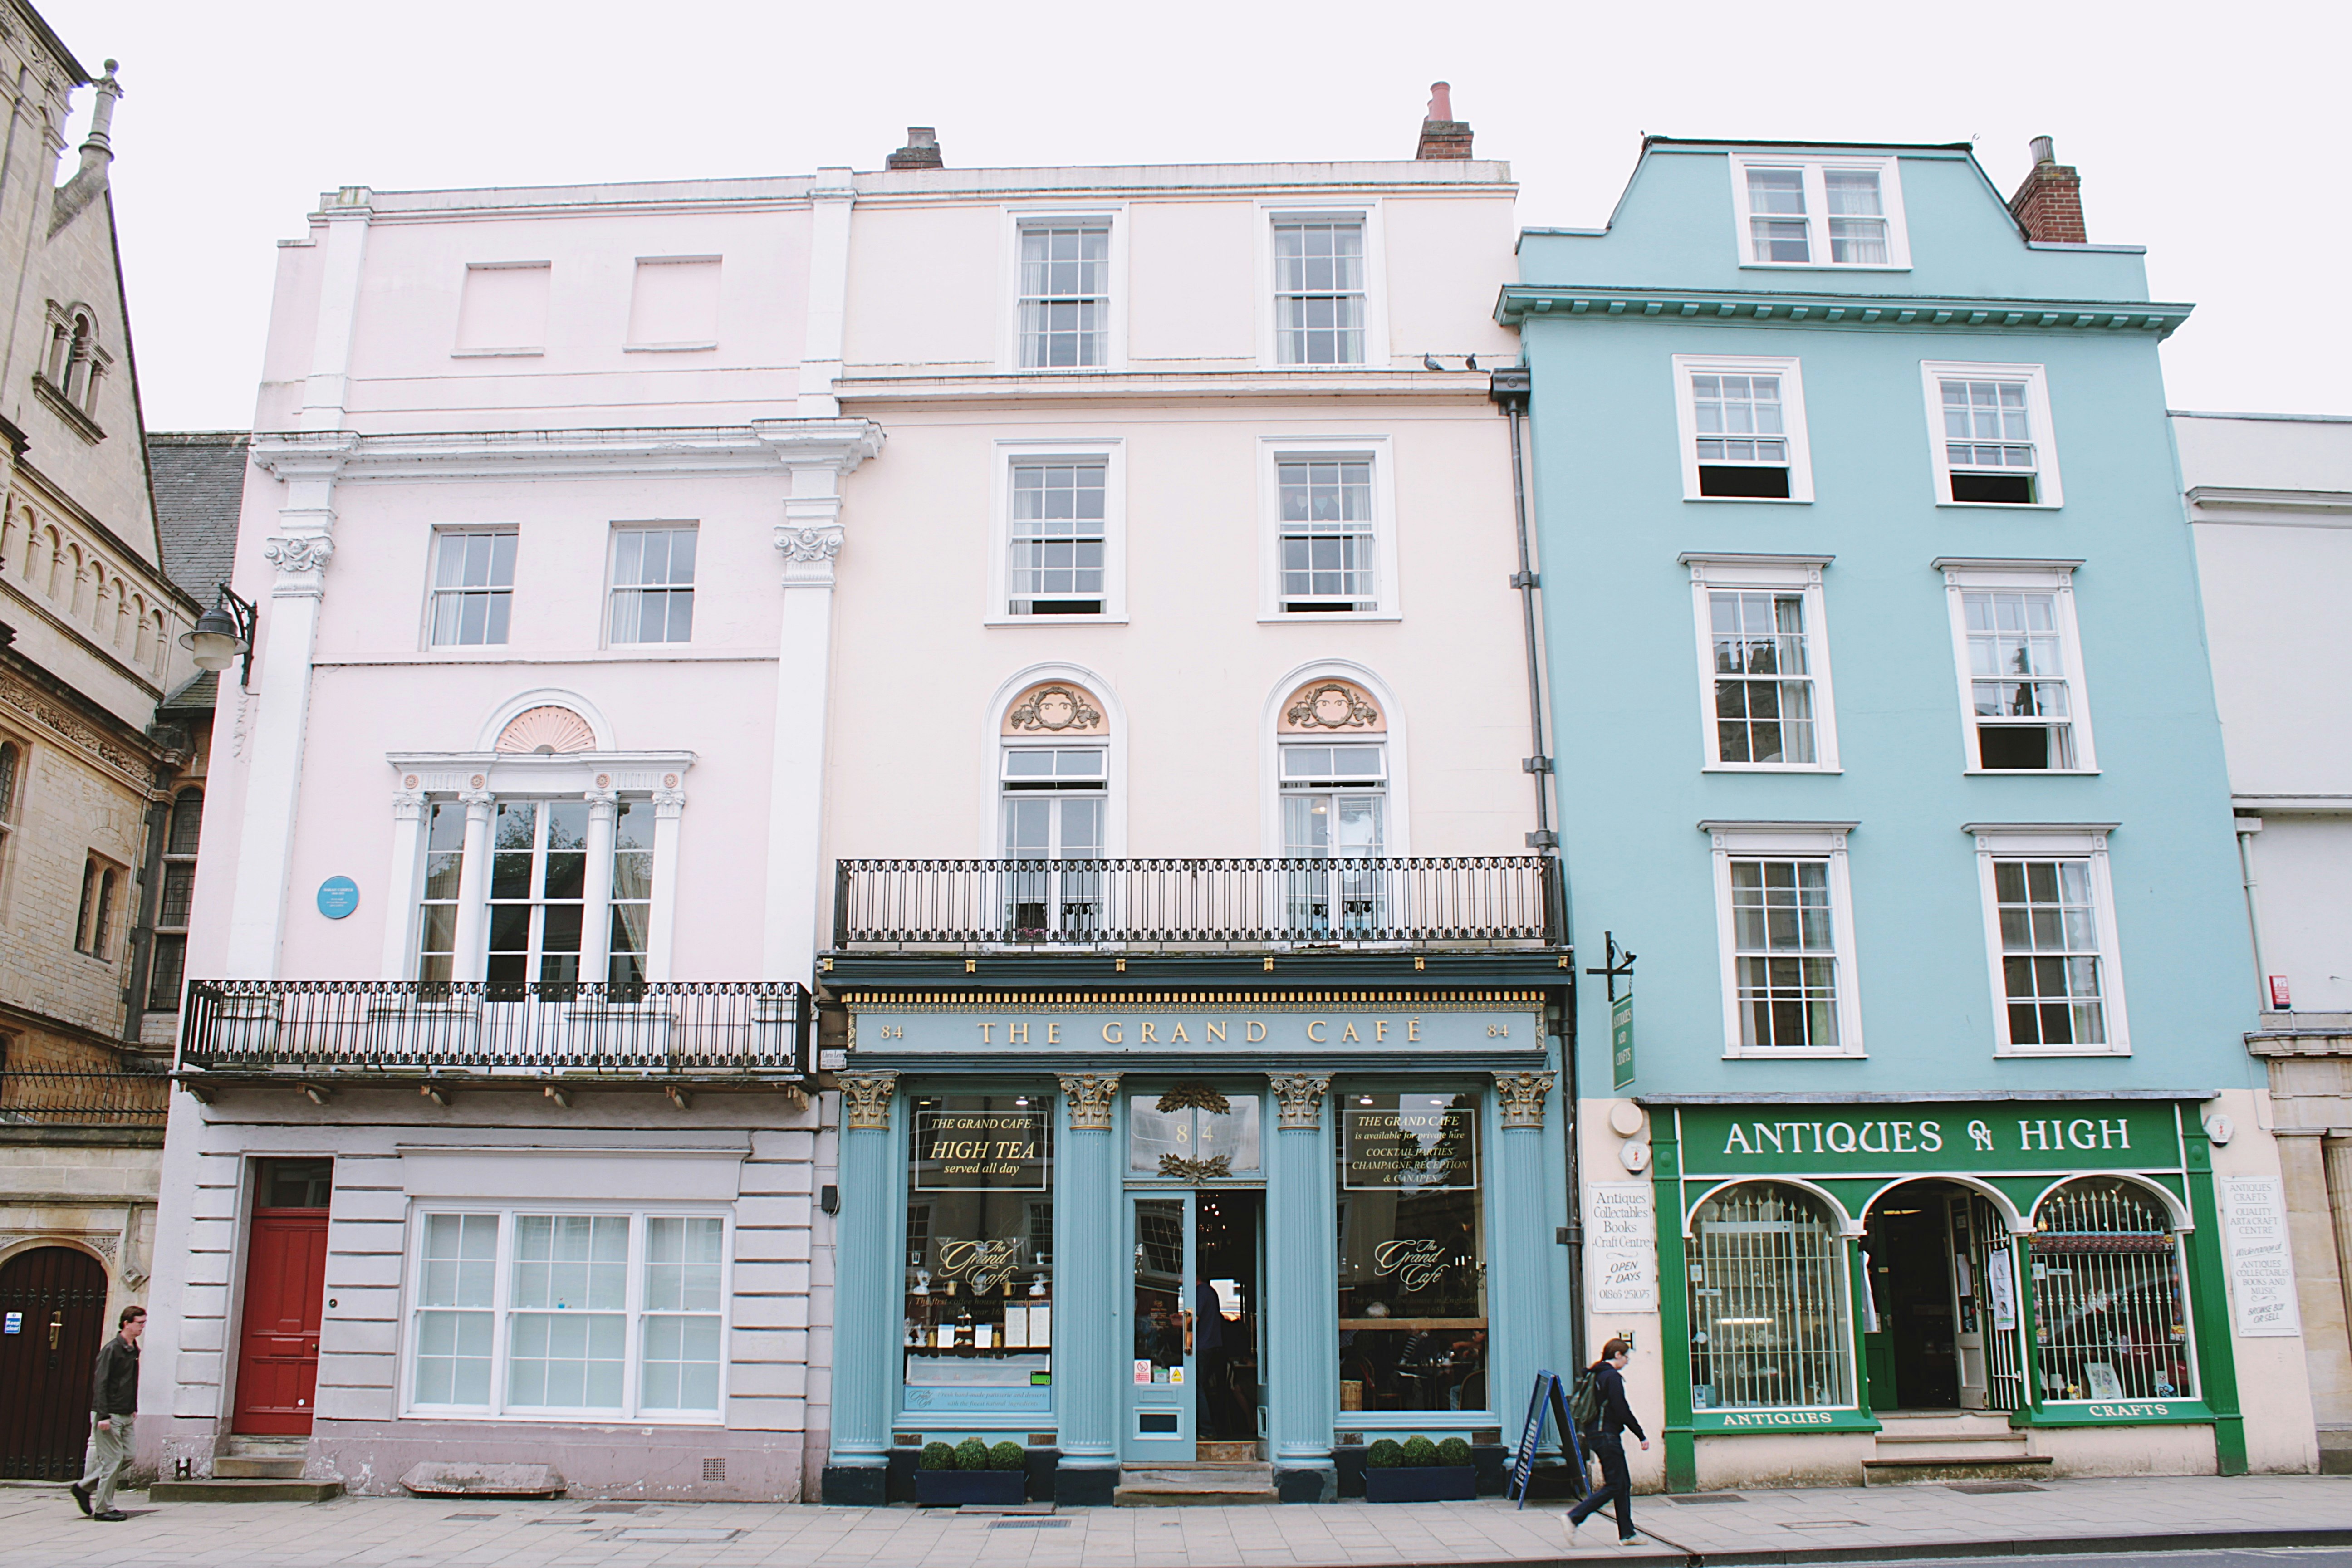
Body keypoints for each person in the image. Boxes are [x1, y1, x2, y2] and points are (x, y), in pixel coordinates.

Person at [1564, 1337, 1647, 1547]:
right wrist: (1640, 1434)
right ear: (1617, 1355)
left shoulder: (1595, 1373)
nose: (1627, 1361)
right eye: (1626, 1356)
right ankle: (1574, 1517)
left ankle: (1628, 1535)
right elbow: (1622, 1409)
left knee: (1622, 1484)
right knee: (1615, 1485)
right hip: (1607, 1436)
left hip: (1596, 1435)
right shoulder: (1612, 1377)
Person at [72, 1305, 144, 1522]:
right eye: (139, 1323)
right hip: (109, 1414)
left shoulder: (133, 1349)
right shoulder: (112, 1349)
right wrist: (103, 1415)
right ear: (126, 1324)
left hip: (125, 1412)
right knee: (113, 1461)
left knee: (128, 1456)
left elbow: (130, 1383)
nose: (142, 1327)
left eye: (143, 1323)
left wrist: (133, 1408)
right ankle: (104, 1509)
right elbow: (101, 1383)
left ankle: (84, 1488)